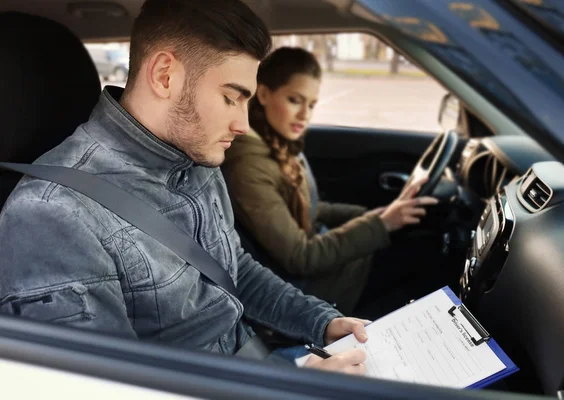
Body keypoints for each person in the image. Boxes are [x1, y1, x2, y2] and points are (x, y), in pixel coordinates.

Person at [0, 0, 369, 374]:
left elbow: (232, 270)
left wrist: (320, 322)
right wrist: (297, 389)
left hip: (258, 365)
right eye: (230, 97)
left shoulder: (193, 156)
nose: (243, 124)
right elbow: (110, 389)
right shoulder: (51, 215)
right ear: (164, 75)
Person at [222, 48, 439, 316]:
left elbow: (312, 209)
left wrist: (374, 216)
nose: (304, 115)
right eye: (294, 100)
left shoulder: (280, 143)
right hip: (315, 289)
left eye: (311, 104)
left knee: (421, 241)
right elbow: (301, 257)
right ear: (264, 95)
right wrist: (380, 224)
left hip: (327, 263)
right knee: (428, 255)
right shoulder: (248, 165)